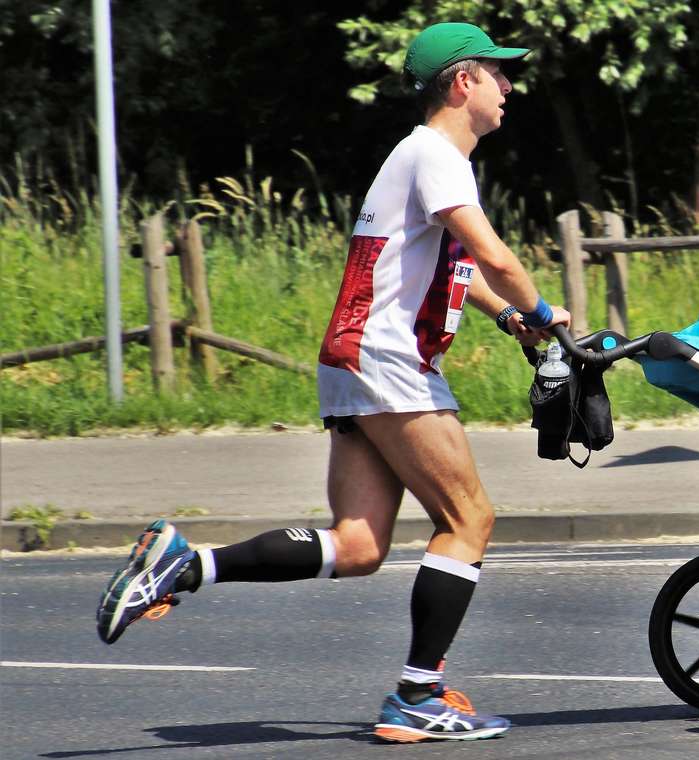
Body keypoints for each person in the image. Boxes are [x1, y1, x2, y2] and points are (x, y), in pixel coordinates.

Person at [95, 22, 566, 743]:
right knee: (468, 519)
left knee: (357, 547)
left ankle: (185, 566)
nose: (509, 87)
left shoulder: (416, 159)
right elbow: (493, 255)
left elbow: (448, 271)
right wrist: (541, 311)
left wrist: (510, 321)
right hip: (389, 362)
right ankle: (418, 694)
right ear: (461, 81)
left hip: (352, 358)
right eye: (497, 74)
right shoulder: (436, 155)